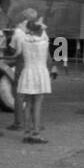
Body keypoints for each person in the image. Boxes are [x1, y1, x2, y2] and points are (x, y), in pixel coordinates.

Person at [15, 12, 53, 144]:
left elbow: (18, 54)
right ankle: (36, 133)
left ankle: (27, 132)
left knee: (28, 103)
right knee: (37, 104)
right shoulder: (43, 42)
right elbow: (48, 59)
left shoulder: (23, 40)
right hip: (40, 73)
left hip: (28, 72)